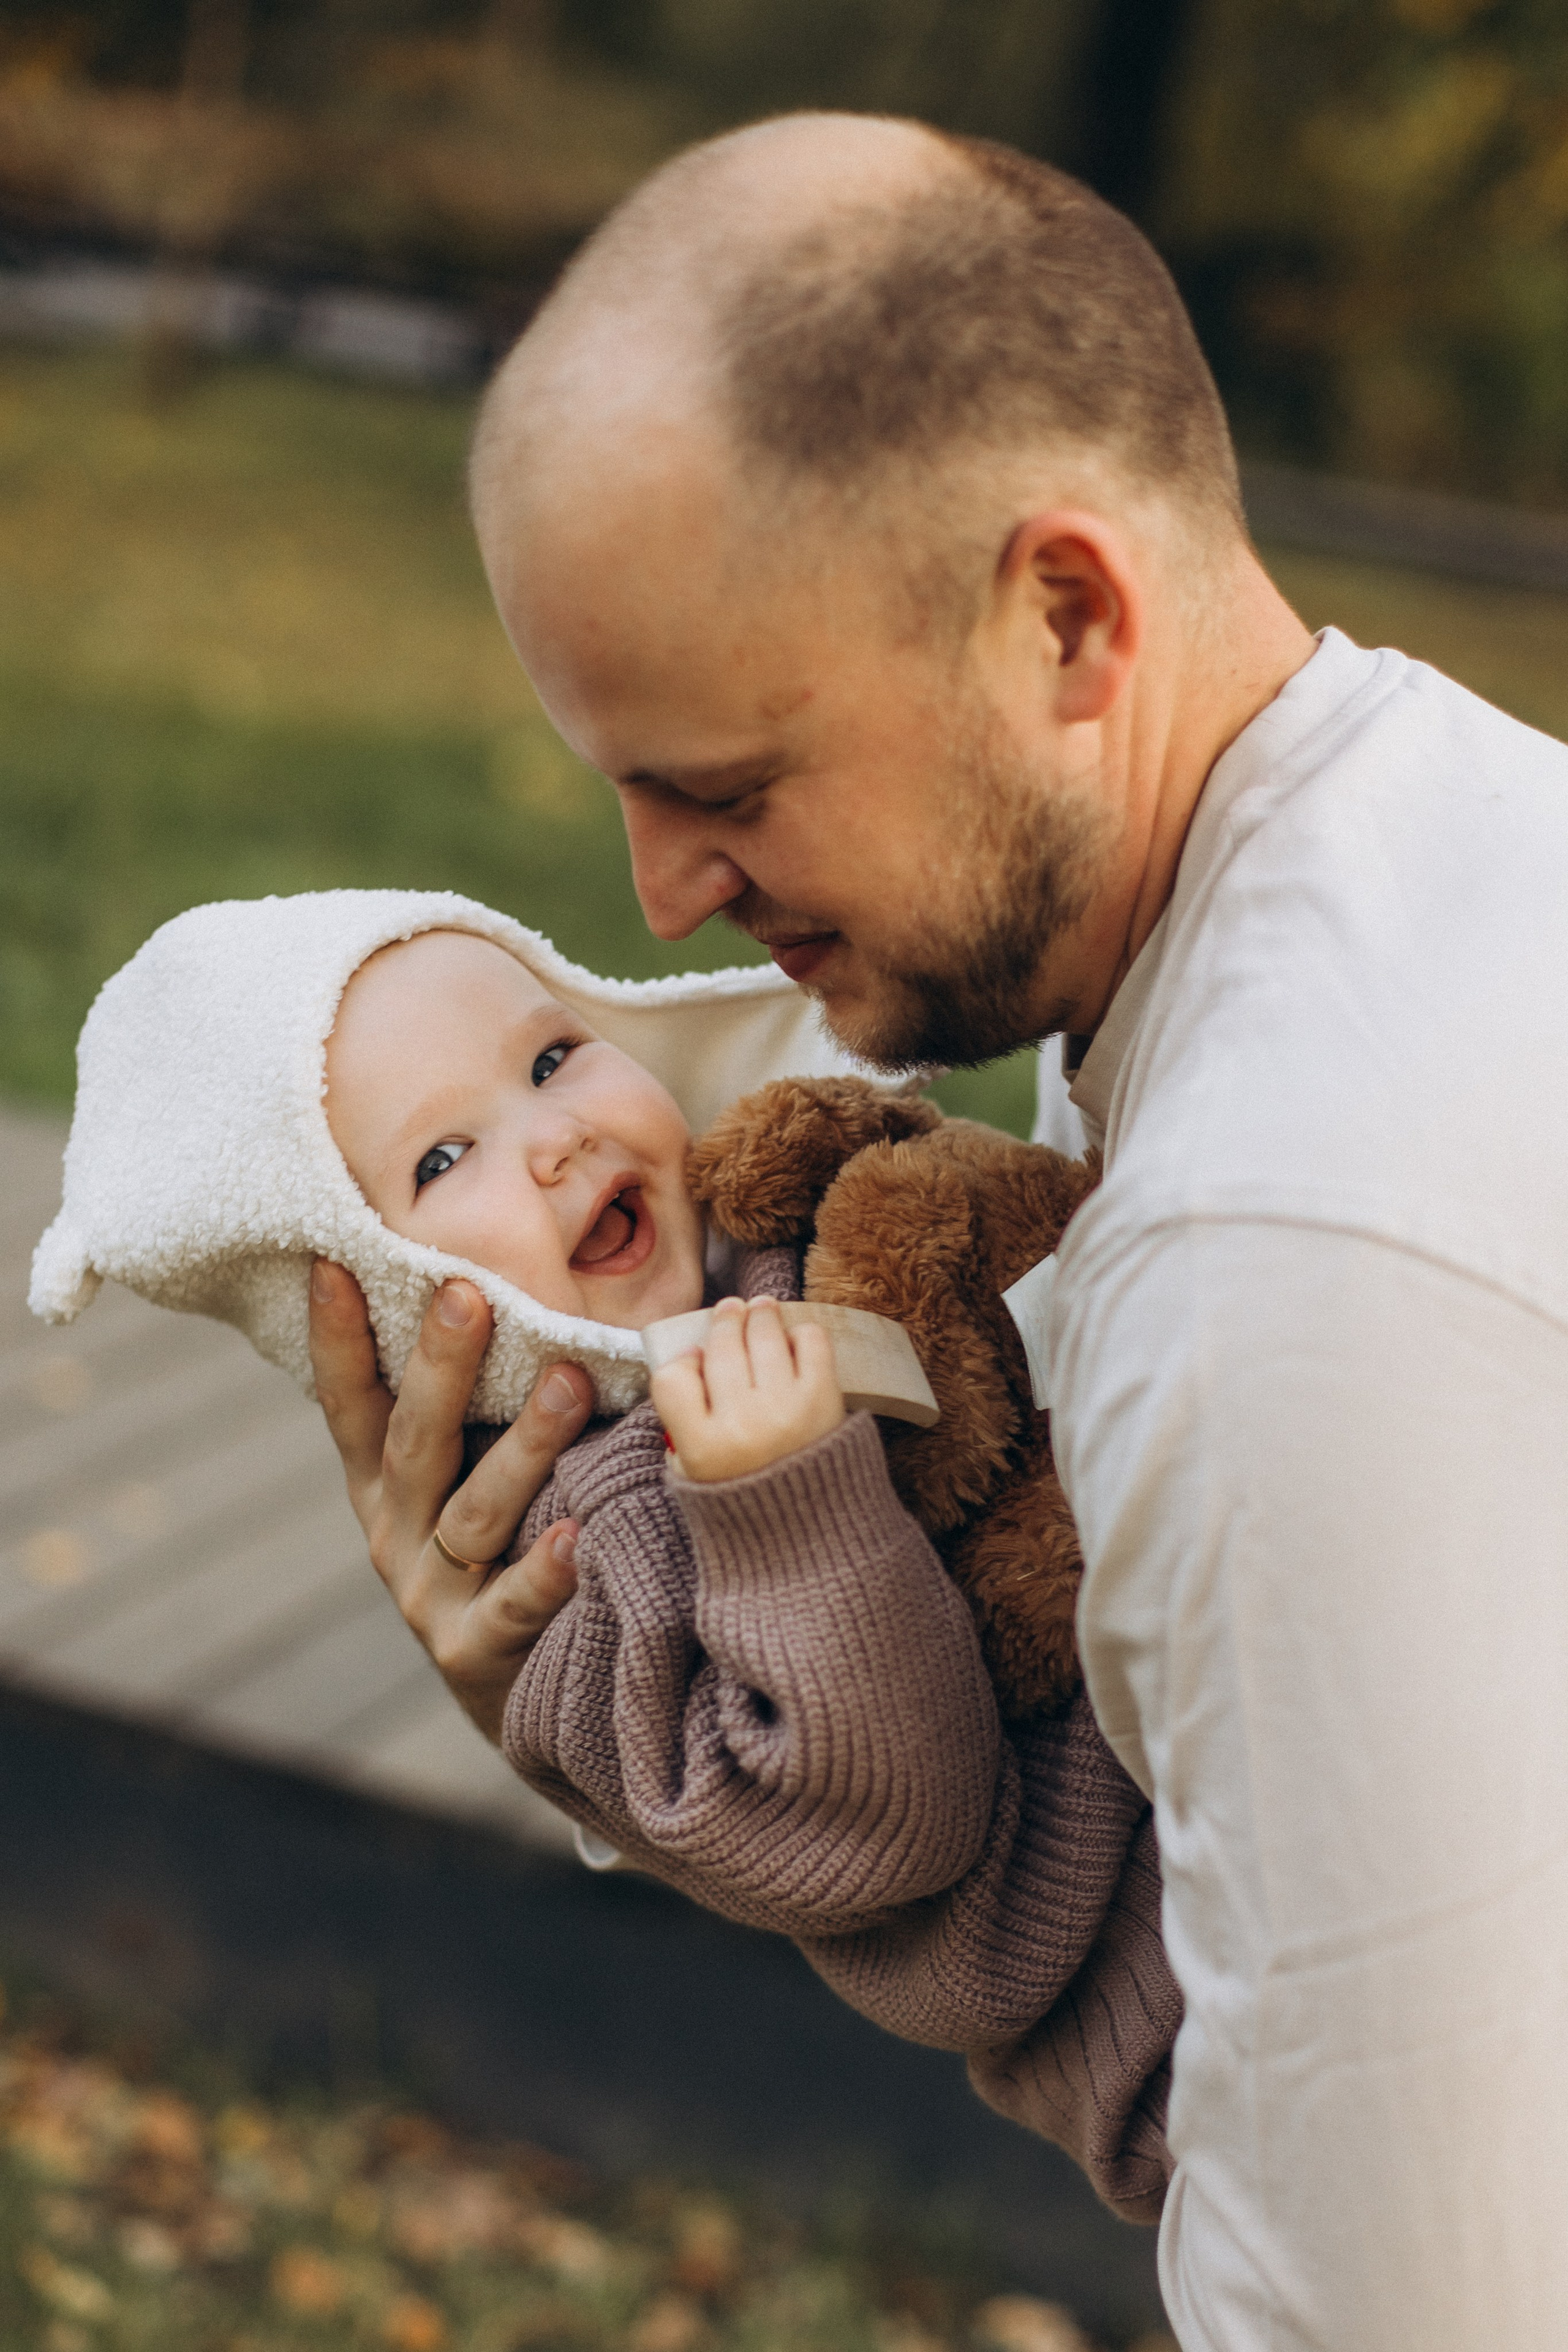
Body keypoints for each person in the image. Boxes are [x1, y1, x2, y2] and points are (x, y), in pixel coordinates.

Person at [308, 113, 1568, 2350]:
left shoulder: (1276, 1259)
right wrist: (635, 1718)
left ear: (1067, 616)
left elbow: (1408, 2301)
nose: (659, 897)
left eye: (727, 783)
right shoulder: (1430, 848)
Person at [33, 884, 1180, 2217]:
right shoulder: (582, 1560)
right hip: (1179, 2018)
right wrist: (787, 1509)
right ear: (384, 1308)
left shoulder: (775, 1225)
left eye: (549, 1056)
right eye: (441, 1160)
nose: (553, 1138)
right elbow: (879, 1834)